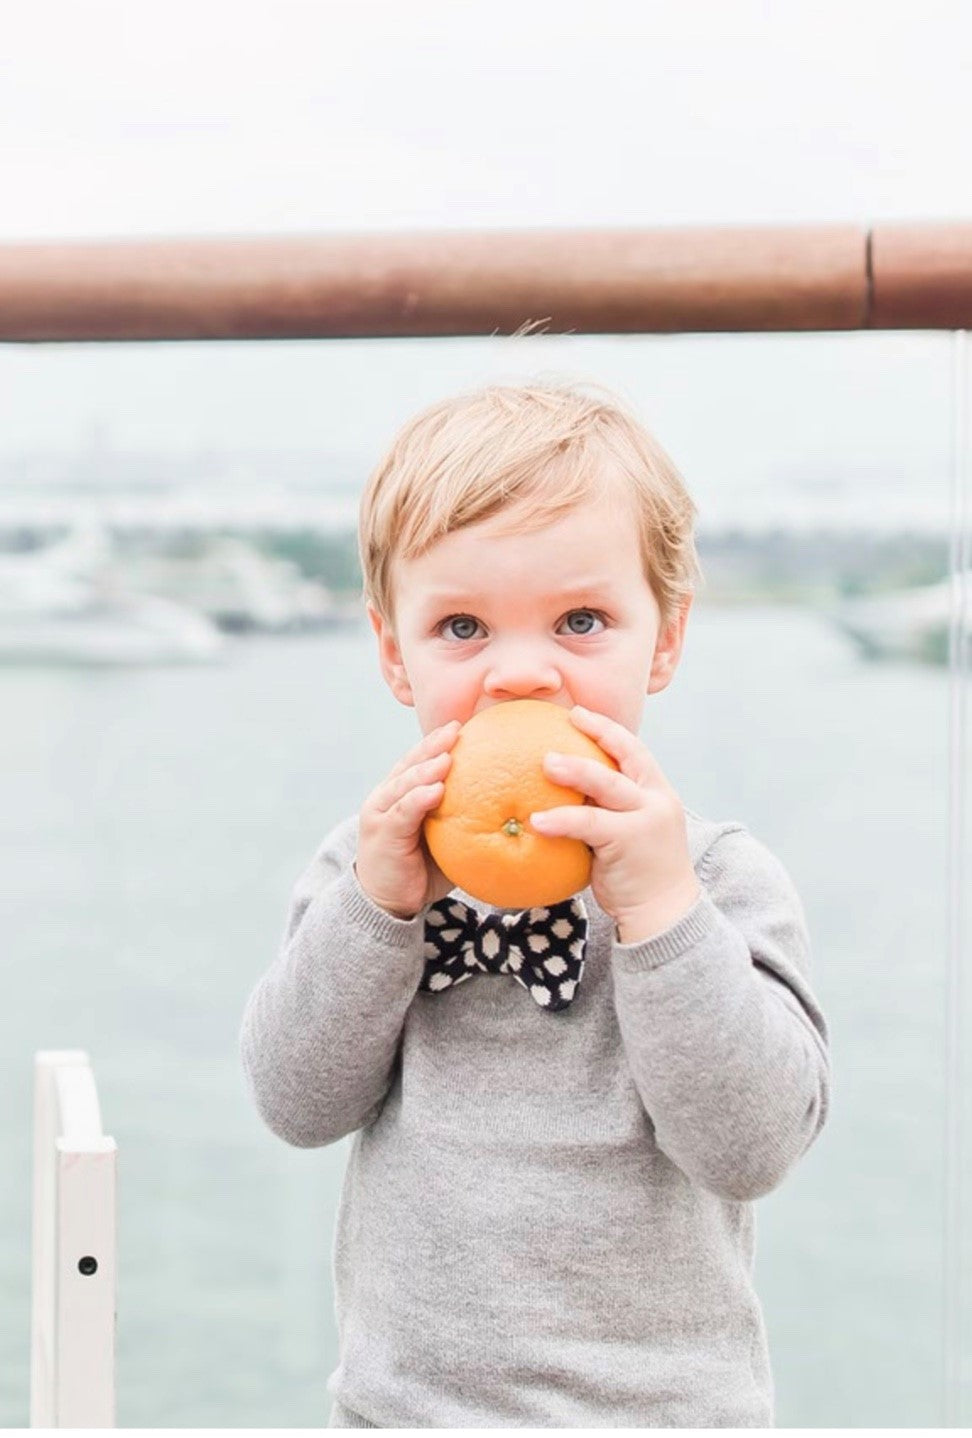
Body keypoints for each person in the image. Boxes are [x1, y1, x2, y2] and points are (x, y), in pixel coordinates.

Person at [240, 380, 831, 1428]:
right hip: (402, 1414)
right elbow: (295, 1102)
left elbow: (753, 1146)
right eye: (461, 625)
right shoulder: (367, 868)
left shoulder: (722, 880)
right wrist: (381, 912)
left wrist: (660, 911)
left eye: (582, 621)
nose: (521, 673)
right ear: (393, 652)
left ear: (664, 640)